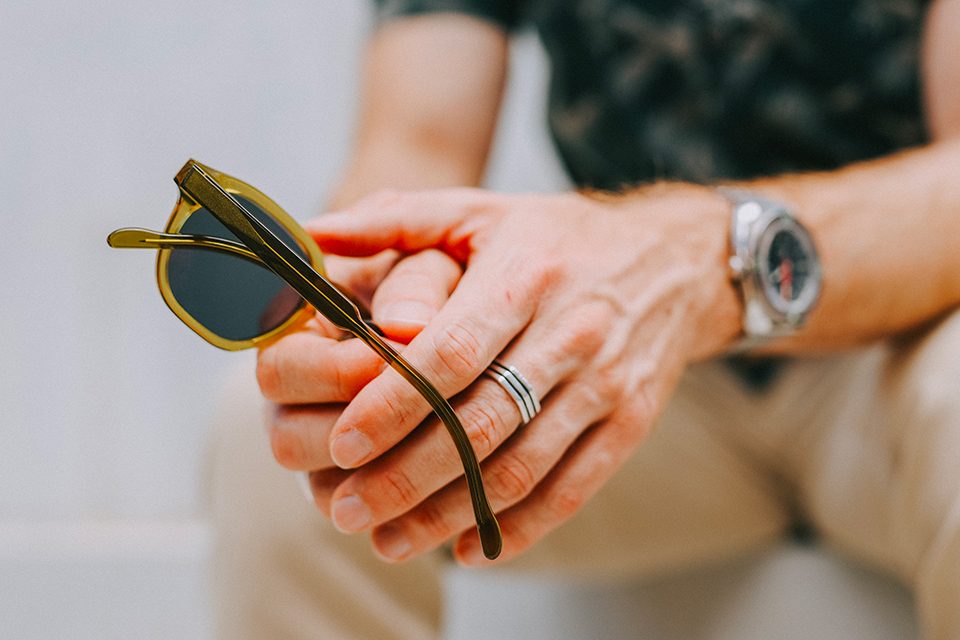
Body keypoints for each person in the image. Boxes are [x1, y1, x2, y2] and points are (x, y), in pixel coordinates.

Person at [210, 1, 960, 638]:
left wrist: (696, 262)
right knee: (292, 433)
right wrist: (398, 294)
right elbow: (415, 146)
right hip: (641, 371)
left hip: (902, 338)